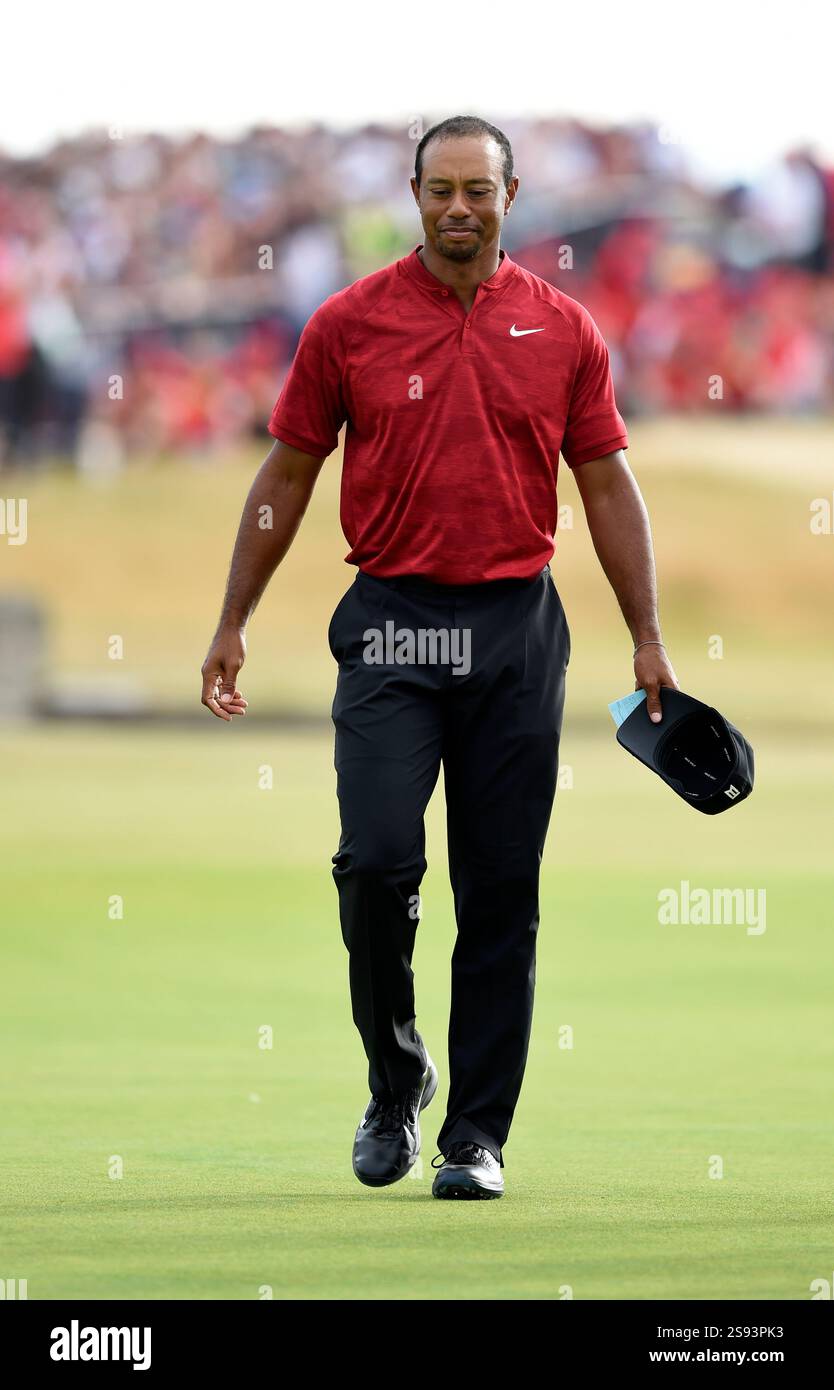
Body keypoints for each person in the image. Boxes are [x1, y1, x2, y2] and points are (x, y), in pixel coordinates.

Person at [200, 115, 679, 1201]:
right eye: (440, 189)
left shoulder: (566, 331)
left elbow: (605, 483)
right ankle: (395, 1077)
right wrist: (234, 619)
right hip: (392, 626)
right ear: (414, 195)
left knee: (500, 890)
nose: (459, 207)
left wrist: (648, 634)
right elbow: (286, 475)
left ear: (512, 199)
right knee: (375, 861)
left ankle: (474, 1136)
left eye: (480, 189)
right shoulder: (348, 324)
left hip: (517, 629)